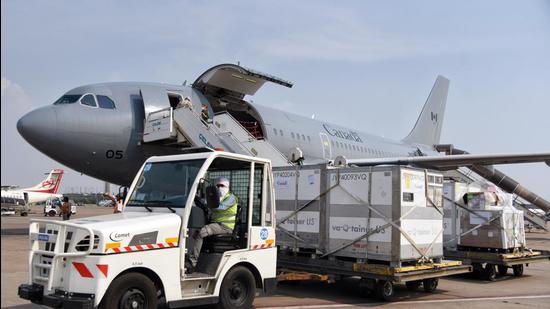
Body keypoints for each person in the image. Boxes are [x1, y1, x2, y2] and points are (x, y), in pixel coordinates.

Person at [188, 177, 238, 273]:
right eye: (217, 186)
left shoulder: (231, 198)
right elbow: (211, 206)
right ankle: (193, 256)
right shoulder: (217, 198)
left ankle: (193, 262)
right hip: (216, 225)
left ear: (227, 187)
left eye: (222, 186)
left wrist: (206, 203)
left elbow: (219, 208)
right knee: (195, 232)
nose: (219, 188)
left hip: (225, 227)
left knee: (201, 233)